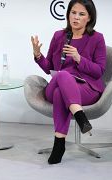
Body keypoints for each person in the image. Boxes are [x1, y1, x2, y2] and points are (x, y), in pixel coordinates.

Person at [31, 0, 106, 164]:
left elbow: (99, 71)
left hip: (85, 88)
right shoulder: (59, 36)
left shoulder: (97, 39)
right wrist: (38, 56)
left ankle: (59, 144)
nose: (76, 17)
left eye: (81, 14)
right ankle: (79, 115)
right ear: (68, 14)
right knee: (63, 75)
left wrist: (79, 58)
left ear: (89, 17)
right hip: (58, 81)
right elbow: (49, 67)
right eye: (73, 12)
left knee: (60, 92)